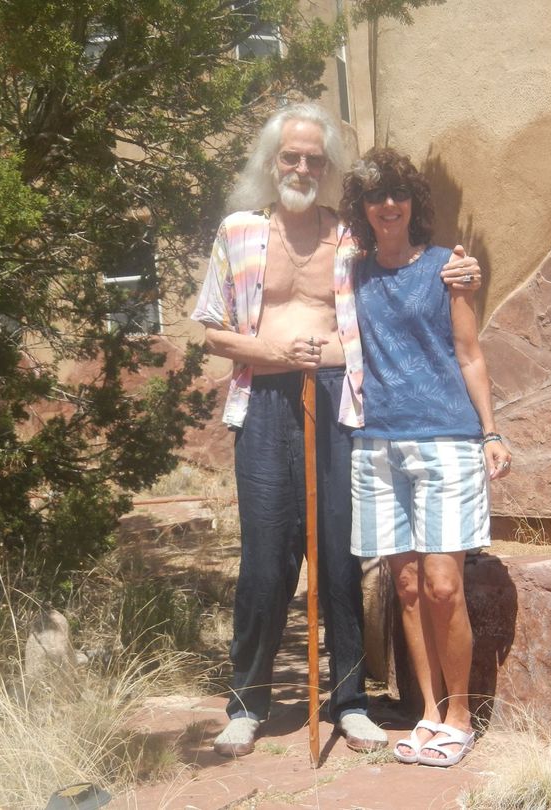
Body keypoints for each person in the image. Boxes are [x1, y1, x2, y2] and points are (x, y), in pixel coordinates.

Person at [191, 104, 481, 758]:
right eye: (291, 156)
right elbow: (211, 330)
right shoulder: (239, 232)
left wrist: (459, 271)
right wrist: (270, 352)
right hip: (263, 400)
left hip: (342, 402)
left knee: (343, 558)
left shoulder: (348, 236)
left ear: (328, 170)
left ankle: (349, 702)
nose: (301, 167)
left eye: (314, 159)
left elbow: (408, 270)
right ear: (272, 161)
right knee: (266, 558)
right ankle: (247, 701)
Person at [339, 147, 512, 768]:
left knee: (443, 584)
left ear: (414, 202)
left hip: (445, 439)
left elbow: (469, 354)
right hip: (375, 443)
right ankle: (429, 712)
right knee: (406, 586)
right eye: (375, 196)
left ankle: (460, 716)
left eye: (398, 194)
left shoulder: (446, 269)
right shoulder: (351, 275)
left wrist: (491, 432)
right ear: (361, 208)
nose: (388, 205)